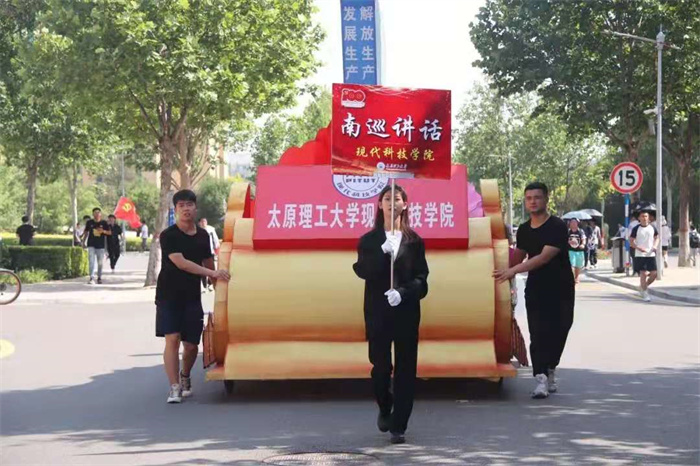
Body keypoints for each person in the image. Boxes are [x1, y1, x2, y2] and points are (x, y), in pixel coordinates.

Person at [353, 185, 429, 445]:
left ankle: (399, 425)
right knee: (381, 368)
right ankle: (385, 407)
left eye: (397, 199)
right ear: (379, 204)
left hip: (406, 313)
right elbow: (362, 271)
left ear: (405, 205)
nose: (392, 203)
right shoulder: (369, 240)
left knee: (406, 370)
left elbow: (422, 280)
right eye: (387, 198)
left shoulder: (414, 241)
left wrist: (404, 293)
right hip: (378, 313)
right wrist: (381, 252)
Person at [494, 182, 574, 400]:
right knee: (538, 333)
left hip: (561, 287)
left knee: (561, 329)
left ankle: (551, 367)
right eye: (529, 198)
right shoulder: (524, 229)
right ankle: (540, 378)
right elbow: (517, 257)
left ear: (546, 199)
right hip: (536, 288)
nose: (532, 201)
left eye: (537, 197)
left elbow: (543, 257)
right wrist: (498, 265)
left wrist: (512, 271)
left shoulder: (557, 226)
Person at [156, 189, 230, 404]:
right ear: (175, 209)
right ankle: (174, 387)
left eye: (189, 205)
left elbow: (209, 263)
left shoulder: (203, 235)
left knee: (190, 346)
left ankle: (185, 375)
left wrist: (220, 293)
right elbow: (182, 263)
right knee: (172, 339)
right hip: (168, 295)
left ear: (196, 208)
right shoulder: (168, 235)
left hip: (191, 297)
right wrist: (211, 273)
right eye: (181, 206)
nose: (186, 209)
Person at [629, 211, 658, 302]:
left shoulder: (652, 227)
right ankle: (645, 293)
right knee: (643, 274)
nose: (644, 218)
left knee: (654, 274)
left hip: (650, 254)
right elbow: (631, 241)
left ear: (648, 218)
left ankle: (642, 287)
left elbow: (657, 237)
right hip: (640, 254)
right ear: (639, 218)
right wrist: (638, 248)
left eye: (646, 216)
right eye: (642, 216)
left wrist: (655, 246)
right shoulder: (636, 228)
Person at [82, 208, 111, 284]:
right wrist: (83, 242)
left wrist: (103, 231)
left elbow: (109, 232)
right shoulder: (89, 222)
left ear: (100, 214)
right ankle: (91, 277)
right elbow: (86, 232)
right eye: (95, 213)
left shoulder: (104, 223)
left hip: (100, 246)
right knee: (91, 261)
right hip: (91, 244)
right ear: (93, 214)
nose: (97, 214)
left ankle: (99, 277)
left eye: (98, 212)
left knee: (100, 263)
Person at [198, 218, 220, 292]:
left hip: (210, 251)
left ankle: (210, 284)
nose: (204, 223)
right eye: (202, 222)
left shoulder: (211, 229)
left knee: (211, 269)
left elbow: (215, 240)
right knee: (202, 269)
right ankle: (204, 285)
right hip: (200, 253)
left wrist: (216, 249)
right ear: (199, 223)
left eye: (205, 221)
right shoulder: (197, 231)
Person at [567, 219, 586, 284]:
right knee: (571, 264)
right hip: (570, 250)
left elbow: (583, 239)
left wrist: (583, 244)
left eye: (575, 222)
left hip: (579, 250)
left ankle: (576, 277)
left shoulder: (581, 231)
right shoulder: (568, 231)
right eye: (572, 222)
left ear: (577, 223)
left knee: (578, 265)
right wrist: (569, 242)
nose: (573, 224)